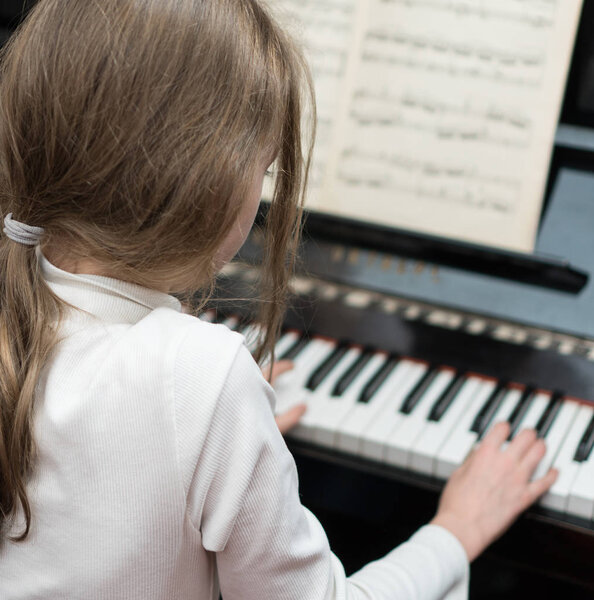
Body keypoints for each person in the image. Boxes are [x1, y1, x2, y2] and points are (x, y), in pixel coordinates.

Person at [0, 1, 557, 598]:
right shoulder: (200, 377)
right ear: (205, 179)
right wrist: (457, 530)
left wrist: (220, 451)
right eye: (263, 170)